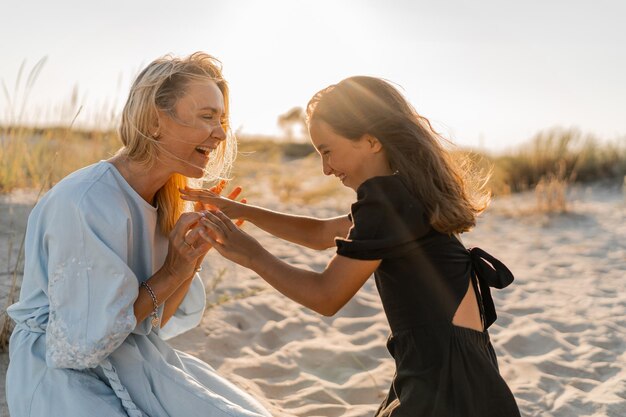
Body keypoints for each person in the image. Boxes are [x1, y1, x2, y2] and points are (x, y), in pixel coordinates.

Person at [181, 76, 521, 416]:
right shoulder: (410, 195)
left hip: (444, 392)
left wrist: (250, 253)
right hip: (473, 382)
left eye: (327, 151)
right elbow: (320, 234)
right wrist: (242, 211)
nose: (326, 169)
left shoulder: (387, 201)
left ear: (371, 141)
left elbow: (326, 296)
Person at [6, 52, 271, 417]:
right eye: (207, 117)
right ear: (155, 120)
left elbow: (153, 323)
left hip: (132, 357)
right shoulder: (87, 202)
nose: (221, 133)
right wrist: (173, 270)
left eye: (222, 120)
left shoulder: (168, 201)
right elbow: (79, 350)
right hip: (61, 375)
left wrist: (192, 258)